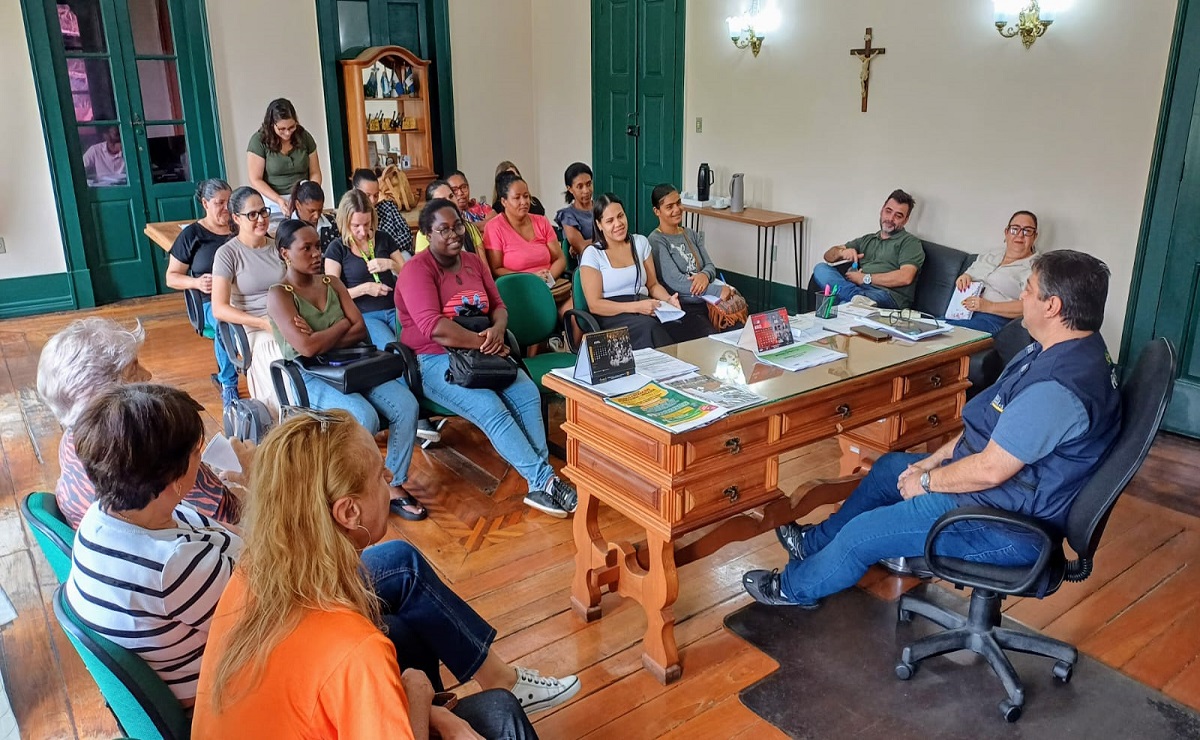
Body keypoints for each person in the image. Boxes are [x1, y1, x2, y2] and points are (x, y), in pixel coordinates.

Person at [744, 250, 1121, 608]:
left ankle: (794, 588)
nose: (1022, 295)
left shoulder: (1056, 391)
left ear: (1052, 306)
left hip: (1007, 526)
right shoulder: (1057, 349)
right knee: (889, 469)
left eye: (1029, 289)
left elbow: (991, 469)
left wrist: (927, 483)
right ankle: (815, 544)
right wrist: (932, 462)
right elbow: (988, 425)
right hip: (1001, 492)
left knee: (865, 534)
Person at [192, 410, 579, 736]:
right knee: (500, 712)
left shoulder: (252, 573)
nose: (390, 479)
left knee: (402, 632)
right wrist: (417, 695)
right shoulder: (355, 649)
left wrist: (434, 713)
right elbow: (356, 664)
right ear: (348, 512)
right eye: (379, 475)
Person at [396, 199, 578, 519]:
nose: (453, 234)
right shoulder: (416, 271)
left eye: (457, 226)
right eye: (443, 229)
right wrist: (483, 342)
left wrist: (497, 328)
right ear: (427, 234)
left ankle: (541, 483)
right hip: (435, 360)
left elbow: (498, 305)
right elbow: (434, 328)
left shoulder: (473, 262)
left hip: (484, 349)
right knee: (490, 409)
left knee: (525, 393)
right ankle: (545, 480)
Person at [64, 384, 243, 708]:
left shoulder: (104, 515)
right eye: (195, 452)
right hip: (225, 696)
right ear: (174, 479)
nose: (200, 458)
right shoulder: (172, 566)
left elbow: (216, 529)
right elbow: (268, 614)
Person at [267, 219, 426, 520]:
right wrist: (341, 325)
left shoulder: (332, 283)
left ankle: (393, 484)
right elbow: (308, 350)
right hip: (312, 375)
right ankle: (355, 489)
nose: (316, 254)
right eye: (307, 248)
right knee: (363, 417)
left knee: (406, 405)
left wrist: (321, 333)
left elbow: (359, 329)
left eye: (318, 246)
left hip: (354, 364)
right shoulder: (280, 294)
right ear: (284, 253)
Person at [37, 319, 248, 529]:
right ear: (106, 394)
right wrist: (254, 476)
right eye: (134, 368)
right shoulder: (154, 451)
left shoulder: (71, 441)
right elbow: (231, 514)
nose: (147, 375)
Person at [578, 193, 696, 350]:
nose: (618, 223)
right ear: (599, 225)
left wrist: (668, 300)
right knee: (649, 328)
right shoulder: (593, 254)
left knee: (681, 324)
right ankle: (669, 372)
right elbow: (595, 305)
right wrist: (636, 307)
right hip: (610, 316)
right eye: (610, 221)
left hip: (643, 307)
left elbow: (653, 285)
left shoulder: (640, 242)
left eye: (620, 216)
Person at [211, 187, 286, 417]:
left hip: (285, 317)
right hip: (255, 326)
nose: (261, 219)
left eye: (263, 212)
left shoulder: (277, 246)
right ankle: (281, 421)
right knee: (280, 362)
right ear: (236, 218)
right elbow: (219, 308)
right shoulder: (227, 254)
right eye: (252, 214)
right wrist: (262, 323)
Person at [165, 178, 239, 406]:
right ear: (205, 204)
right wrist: (196, 283)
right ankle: (229, 384)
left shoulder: (239, 228)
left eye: (230, 201)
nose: (226, 208)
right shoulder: (192, 235)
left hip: (242, 295)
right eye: (220, 203)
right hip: (210, 300)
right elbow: (171, 277)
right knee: (223, 323)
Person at [647, 183, 735, 341]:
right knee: (713, 341)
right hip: (684, 306)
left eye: (678, 203)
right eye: (669, 207)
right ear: (657, 211)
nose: (677, 209)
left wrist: (704, 276)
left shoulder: (690, 234)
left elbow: (709, 266)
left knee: (738, 332)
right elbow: (675, 281)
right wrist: (715, 291)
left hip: (708, 303)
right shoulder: (656, 240)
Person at [813, 189, 924, 309]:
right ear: (881, 211)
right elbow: (828, 256)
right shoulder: (868, 240)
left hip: (886, 295)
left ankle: (852, 300)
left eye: (898, 216)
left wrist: (865, 278)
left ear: (906, 220)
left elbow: (905, 277)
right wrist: (841, 252)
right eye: (888, 211)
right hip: (859, 289)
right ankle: (856, 299)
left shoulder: (909, 242)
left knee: (840, 306)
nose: (891, 218)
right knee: (820, 268)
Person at [324, 189, 406, 350]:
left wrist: (391, 265)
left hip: (395, 310)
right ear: (344, 222)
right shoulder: (337, 248)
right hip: (365, 315)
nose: (362, 231)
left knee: (415, 346)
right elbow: (332, 296)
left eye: (367, 224)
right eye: (356, 226)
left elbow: (407, 275)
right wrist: (365, 289)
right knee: (394, 351)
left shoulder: (384, 238)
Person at [484, 171, 572, 316]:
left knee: (574, 315)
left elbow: (560, 258)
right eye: (517, 198)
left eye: (526, 196)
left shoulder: (541, 221)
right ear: (504, 201)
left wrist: (548, 278)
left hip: (552, 287)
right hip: (519, 290)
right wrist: (531, 279)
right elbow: (497, 269)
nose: (524, 202)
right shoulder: (494, 227)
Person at [946, 211, 1039, 334]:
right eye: (1015, 229)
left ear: (1034, 236)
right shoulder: (990, 255)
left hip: (994, 319)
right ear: (1006, 232)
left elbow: (1029, 306)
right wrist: (964, 277)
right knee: (928, 329)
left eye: (1027, 231)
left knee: (946, 333)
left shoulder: (1036, 268)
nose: (1020, 235)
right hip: (961, 312)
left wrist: (987, 306)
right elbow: (968, 274)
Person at [246, 98, 321, 213]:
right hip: (273, 200)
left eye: (292, 127)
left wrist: (310, 194)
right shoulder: (258, 141)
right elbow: (255, 179)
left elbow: (315, 172)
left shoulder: (304, 136)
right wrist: (278, 199)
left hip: (303, 198)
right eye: (282, 129)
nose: (287, 132)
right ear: (271, 125)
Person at [351, 168, 416, 255]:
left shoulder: (388, 207)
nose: (373, 200)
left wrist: (383, 249)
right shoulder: (350, 217)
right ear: (355, 192)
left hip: (397, 256)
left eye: (376, 195)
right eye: (367, 195)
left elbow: (407, 236)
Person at [414, 179, 484, 254]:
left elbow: (483, 265)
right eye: (442, 200)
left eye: (451, 196)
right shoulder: (425, 234)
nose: (450, 202)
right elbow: (422, 264)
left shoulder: (470, 228)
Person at [555, 162, 595, 258]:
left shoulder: (602, 207)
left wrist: (588, 242)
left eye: (589, 184)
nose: (586, 190)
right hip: (590, 264)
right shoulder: (568, 215)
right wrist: (608, 239)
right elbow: (582, 247)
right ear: (570, 189)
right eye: (580, 187)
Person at [285, 179, 337, 249]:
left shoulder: (332, 222)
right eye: (311, 211)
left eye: (320, 210)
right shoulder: (288, 229)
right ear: (297, 205)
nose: (316, 216)